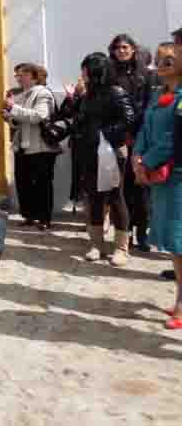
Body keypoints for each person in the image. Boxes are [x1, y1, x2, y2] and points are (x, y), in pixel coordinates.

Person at [59, 53, 135, 265]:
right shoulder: (88, 94)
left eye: (85, 70)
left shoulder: (116, 92)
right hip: (90, 151)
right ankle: (97, 244)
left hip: (112, 151)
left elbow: (129, 118)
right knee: (94, 197)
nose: (82, 74)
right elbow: (78, 117)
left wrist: (104, 133)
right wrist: (74, 100)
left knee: (115, 197)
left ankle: (121, 248)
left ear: (96, 71)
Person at [132, 42, 182, 329]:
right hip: (160, 175)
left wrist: (146, 161)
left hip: (177, 175)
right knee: (175, 245)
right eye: (159, 60)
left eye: (169, 60)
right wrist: (138, 156)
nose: (161, 65)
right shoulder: (157, 94)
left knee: (179, 241)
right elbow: (144, 128)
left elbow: (173, 138)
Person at [109, 34, 159, 251]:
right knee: (122, 187)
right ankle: (125, 232)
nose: (121, 51)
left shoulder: (147, 75)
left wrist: (140, 133)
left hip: (142, 136)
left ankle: (143, 232)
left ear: (133, 49)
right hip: (118, 136)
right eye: (117, 48)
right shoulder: (109, 75)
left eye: (125, 47)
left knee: (142, 187)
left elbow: (150, 105)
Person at [3, 63, 62, 230]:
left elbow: (39, 116)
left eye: (22, 75)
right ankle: (29, 216)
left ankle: (44, 219)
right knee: (24, 183)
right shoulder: (21, 94)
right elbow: (18, 120)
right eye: (18, 75)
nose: (18, 78)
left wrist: (13, 108)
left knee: (42, 185)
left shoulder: (43, 93)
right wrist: (9, 116)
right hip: (23, 145)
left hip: (41, 147)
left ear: (34, 77)